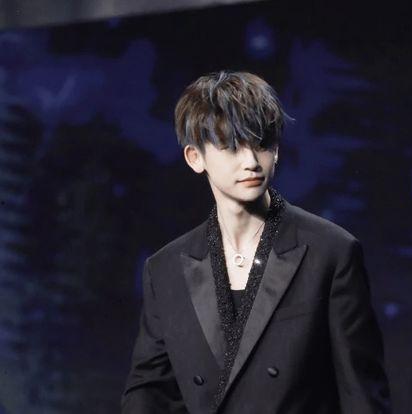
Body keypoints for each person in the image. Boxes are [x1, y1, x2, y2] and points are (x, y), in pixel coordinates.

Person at [121, 70, 392, 413]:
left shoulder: (331, 252)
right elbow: (149, 394)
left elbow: (361, 394)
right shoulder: (166, 269)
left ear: (276, 150)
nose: (250, 162)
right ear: (195, 158)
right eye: (231, 146)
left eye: (262, 144)